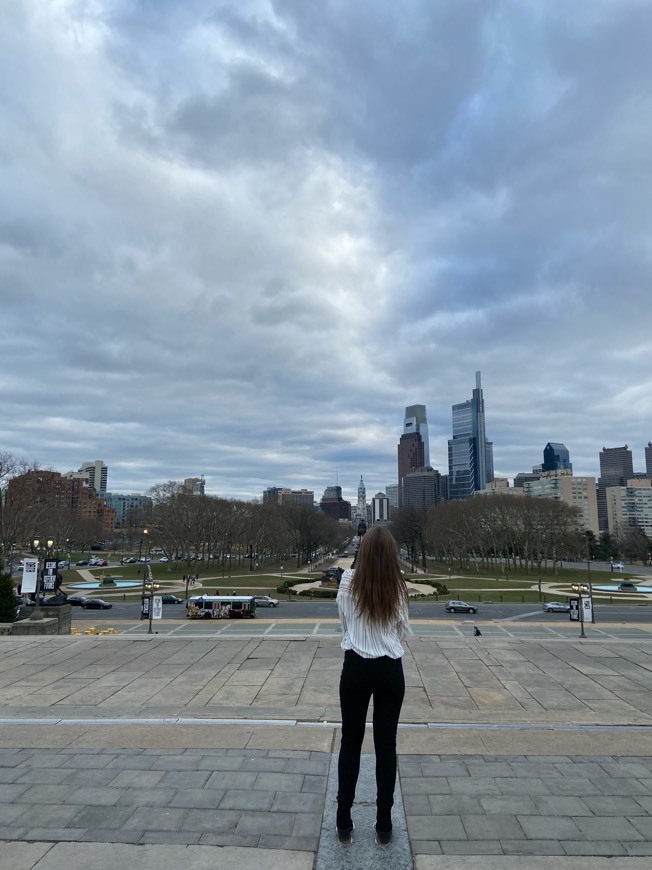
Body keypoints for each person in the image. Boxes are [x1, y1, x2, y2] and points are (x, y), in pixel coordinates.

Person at [335, 526, 411, 847]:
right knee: (386, 746)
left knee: (350, 741)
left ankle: (343, 820)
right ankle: (384, 823)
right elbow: (402, 629)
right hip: (390, 671)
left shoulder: (347, 581)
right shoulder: (398, 586)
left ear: (361, 551)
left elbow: (344, 622)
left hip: (355, 667)